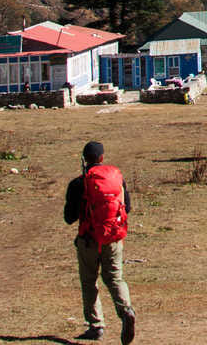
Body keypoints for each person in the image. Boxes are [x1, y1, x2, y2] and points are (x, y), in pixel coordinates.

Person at [63, 141, 137, 343]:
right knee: (115, 278)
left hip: (88, 239)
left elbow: (69, 217)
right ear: (102, 158)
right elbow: (127, 207)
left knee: (89, 282)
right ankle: (126, 310)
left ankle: (96, 326)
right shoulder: (116, 179)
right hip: (113, 237)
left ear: (84, 159)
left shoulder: (79, 183)